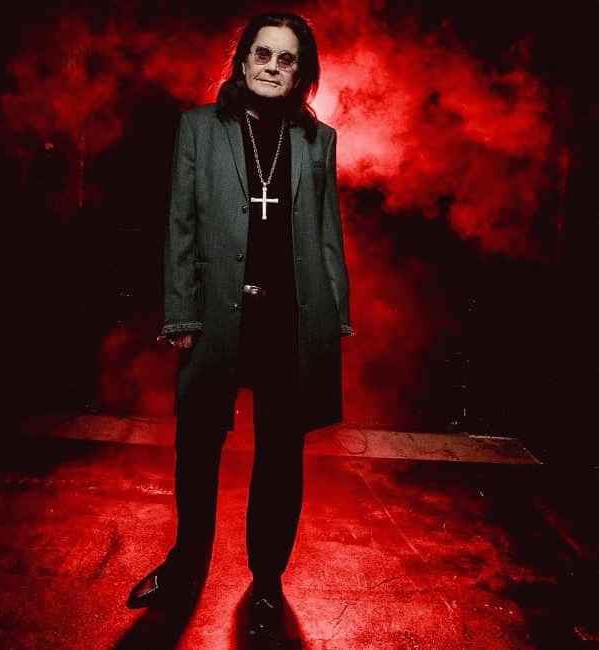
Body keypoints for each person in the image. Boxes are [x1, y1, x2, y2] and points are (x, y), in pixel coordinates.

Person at [127, 11, 354, 638]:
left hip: (290, 318)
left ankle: (268, 582)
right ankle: (185, 565)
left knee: (280, 456)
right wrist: (181, 311)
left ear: (301, 72)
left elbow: (327, 233)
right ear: (244, 59)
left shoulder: (318, 139)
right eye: (263, 54)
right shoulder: (200, 128)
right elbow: (179, 224)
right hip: (218, 315)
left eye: (287, 59)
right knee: (198, 447)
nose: (272, 68)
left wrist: (336, 315)